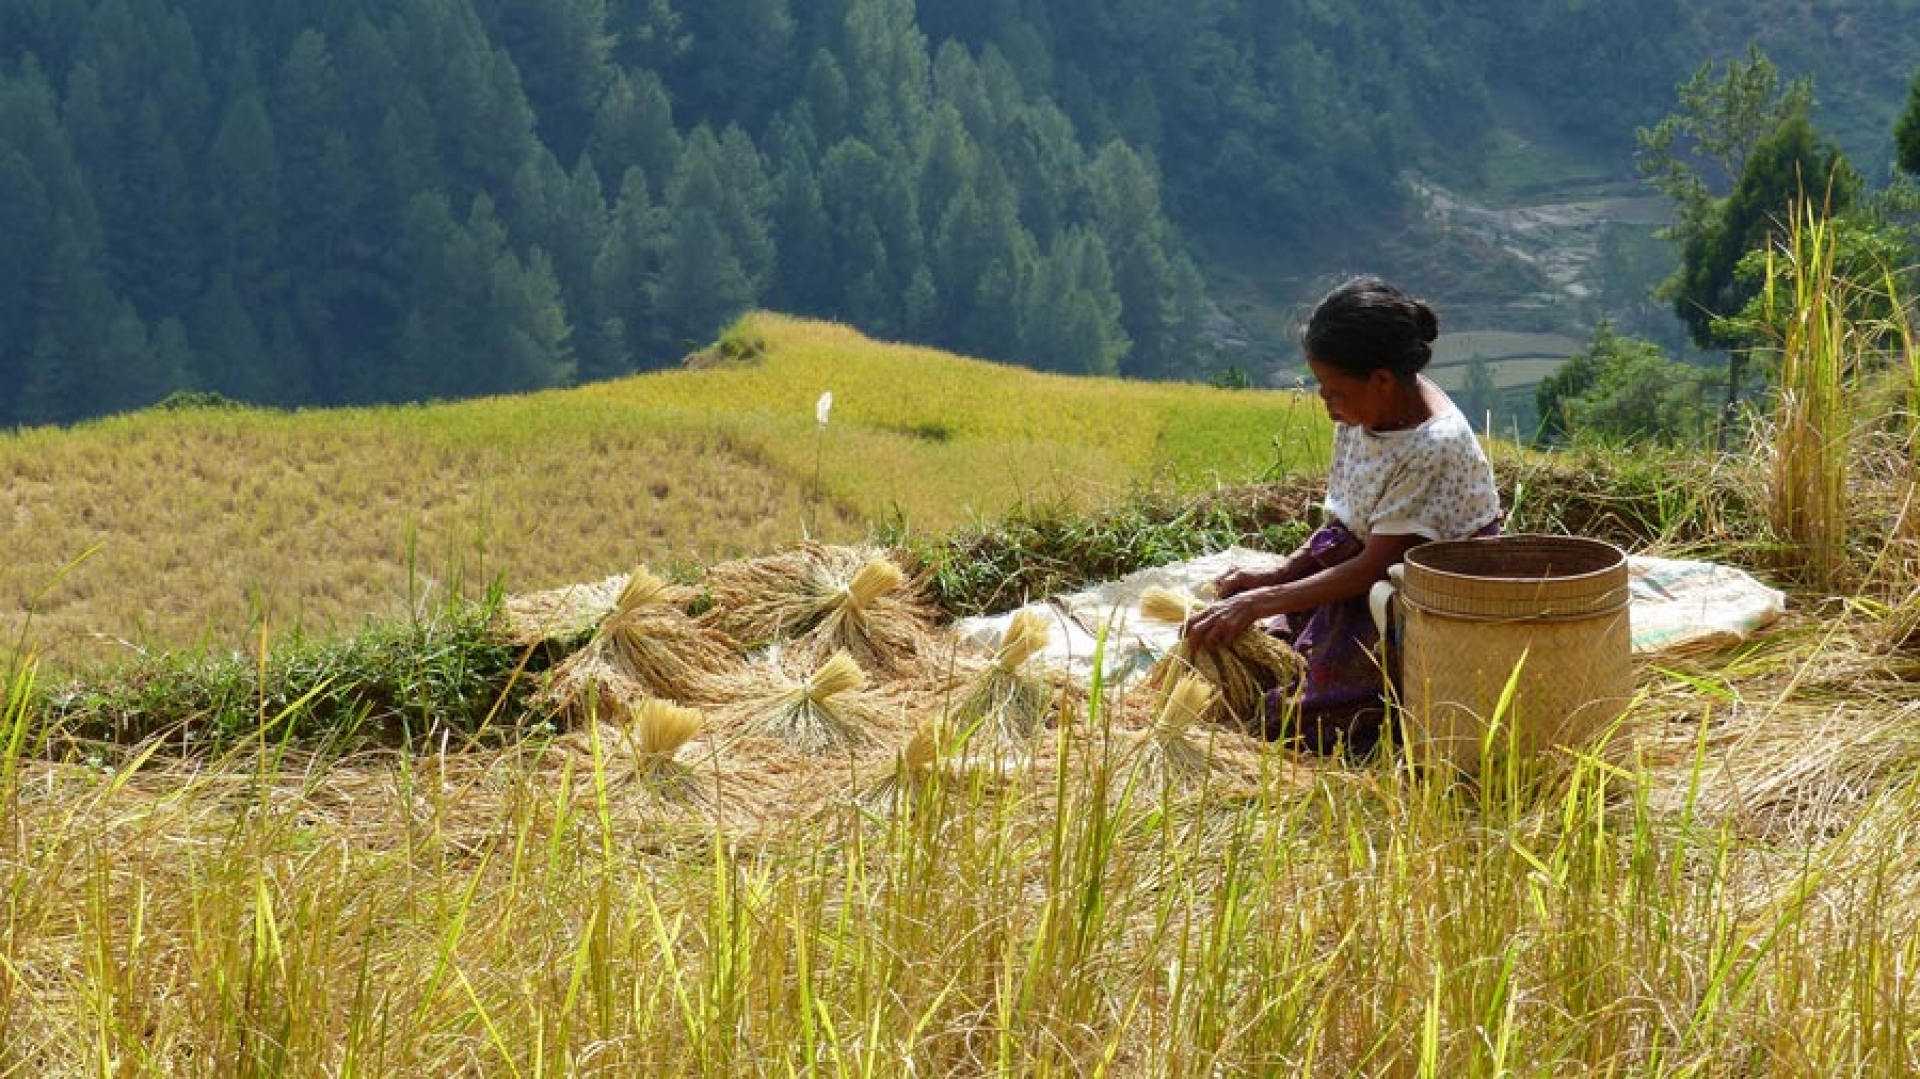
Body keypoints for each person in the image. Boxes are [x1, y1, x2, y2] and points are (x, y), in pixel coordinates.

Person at [1183, 276, 1501, 753]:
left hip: (1414, 587)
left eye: (1332, 388)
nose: (1324, 400)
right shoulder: (1370, 407)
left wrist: (1262, 601)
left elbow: (1377, 568)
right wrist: (1278, 576)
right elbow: (1347, 526)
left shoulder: (1432, 446)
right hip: (1363, 560)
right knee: (1253, 647)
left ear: (1381, 381)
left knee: (1303, 720)